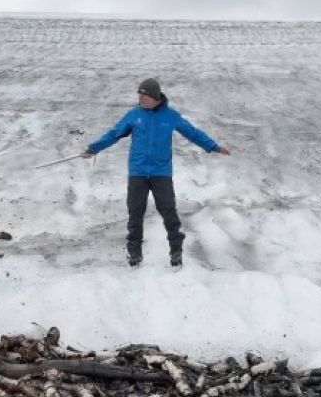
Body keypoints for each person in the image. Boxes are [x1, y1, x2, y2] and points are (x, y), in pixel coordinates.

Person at [82, 78, 230, 267]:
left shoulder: (171, 116)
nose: (140, 99)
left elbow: (193, 133)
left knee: (168, 210)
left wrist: (214, 146)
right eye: (139, 95)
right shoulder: (134, 115)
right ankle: (134, 252)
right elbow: (114, 133)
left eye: (143, 96)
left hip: (161, 172)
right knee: (135, 212)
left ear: (154, 97)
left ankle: (176, 250)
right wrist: (93, 148)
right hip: (138, 171)